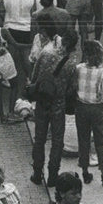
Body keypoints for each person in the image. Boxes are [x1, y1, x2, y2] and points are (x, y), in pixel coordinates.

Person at [29, 32, 78, 187]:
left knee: (39, 139)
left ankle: (37, 173)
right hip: (58, 105)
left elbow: (34, 76)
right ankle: (52, 176)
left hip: (42, 102)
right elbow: (72, 89)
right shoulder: (71, 64)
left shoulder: (45, 53)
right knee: (57, 142)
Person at [74, 40, 103, 187]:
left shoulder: (78, 69)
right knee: (101, 142)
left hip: (81, 107)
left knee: (83, 140)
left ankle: (85, 171)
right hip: (97, 109)